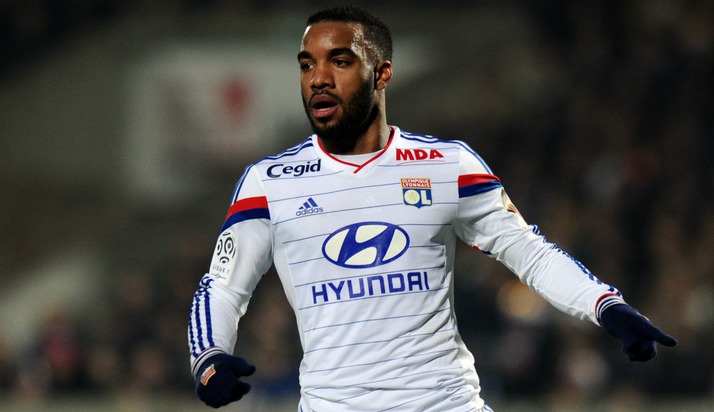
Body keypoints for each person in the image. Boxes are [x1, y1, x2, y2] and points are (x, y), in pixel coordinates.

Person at [187, 5, 677, 411]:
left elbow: (527, 251)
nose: (318, 78)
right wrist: (208, 357)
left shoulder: (448, 165)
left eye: (339, 61)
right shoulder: (268, 182)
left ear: (382, 73)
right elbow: (224, 287)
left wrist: (605, 304)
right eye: (306, 64)